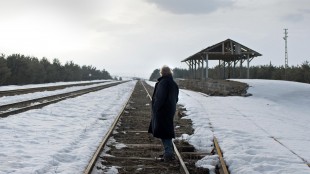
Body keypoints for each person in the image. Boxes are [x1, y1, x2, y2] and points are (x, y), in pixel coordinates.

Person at [148, 65, 179, 162]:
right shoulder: (173, 83)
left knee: (164, 133)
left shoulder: (163, 83)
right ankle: (168, 152)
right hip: (169, 110)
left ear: (161, 73)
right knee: (166, 131)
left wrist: (155, 109)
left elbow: (159, 98)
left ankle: (169, 154)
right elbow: (176, 98)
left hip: (162, 111)